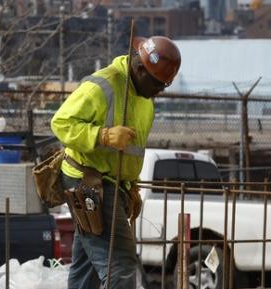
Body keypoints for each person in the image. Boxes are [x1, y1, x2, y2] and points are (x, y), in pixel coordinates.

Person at [51, 36, 181, 289]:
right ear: (140, 69)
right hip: (90, 182)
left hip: (114, 183)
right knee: (120, 265)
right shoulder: (104, 85)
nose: (160, 90)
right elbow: (61, 123)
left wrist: (131, 185)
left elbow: (133, 150)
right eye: (158, 83)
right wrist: (103, 136)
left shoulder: (144, 99)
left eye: (164, 85)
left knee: (87, 267)